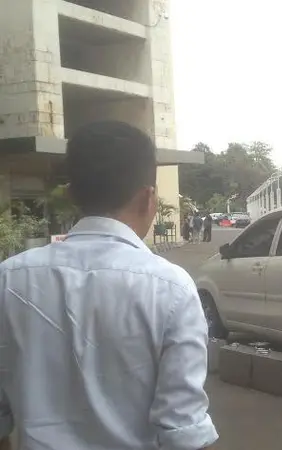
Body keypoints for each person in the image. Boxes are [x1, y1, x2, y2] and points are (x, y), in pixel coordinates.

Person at [0, 121, 218, 450]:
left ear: (72, 195)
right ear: (149, 199)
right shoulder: (171, 289)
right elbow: (184, 433)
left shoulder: (9, 280)